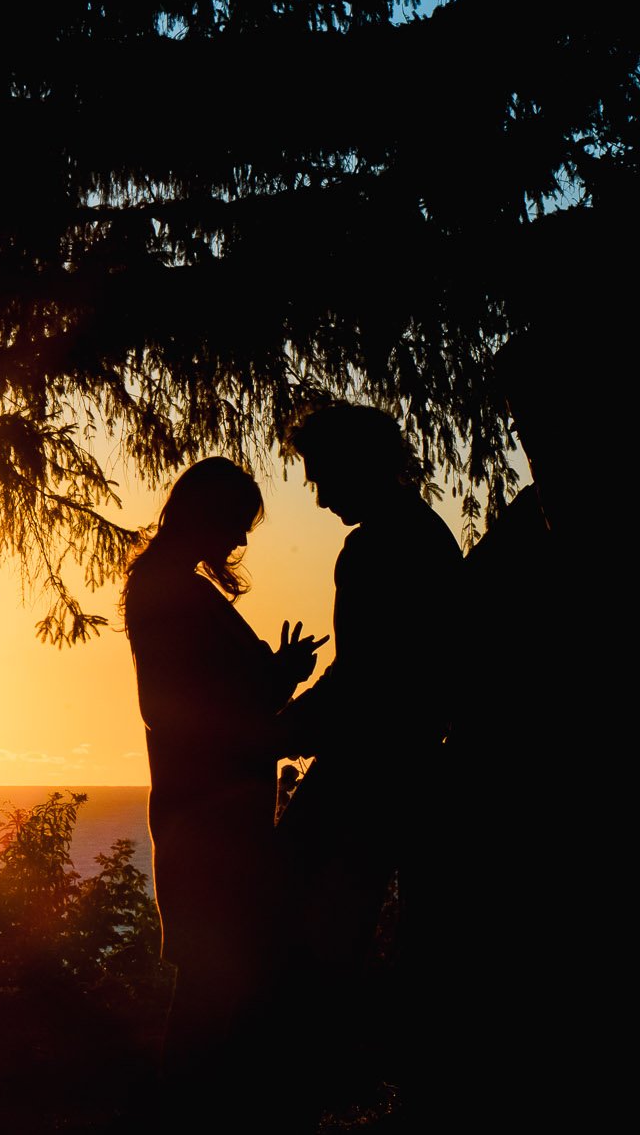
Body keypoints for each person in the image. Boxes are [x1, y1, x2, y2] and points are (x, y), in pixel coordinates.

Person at [122, 457, 326, 1111]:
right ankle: (194, 1108)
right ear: (206, 514)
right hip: (209, 815)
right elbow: (177, 704)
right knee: (217, 975)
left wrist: (274, 677)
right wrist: (274, 689)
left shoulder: (166, 585)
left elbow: (202, 693)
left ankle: (196, 1106)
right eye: (236, 524)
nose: (239, 541)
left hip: (209, 809)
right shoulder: (169, 589)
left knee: (219, 971)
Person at [277, 402, 463, 1108]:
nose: (319, 495)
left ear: (357, 464)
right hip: (413, 764)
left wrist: (273, 731)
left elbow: (362, 683)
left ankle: (294, 1084)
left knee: (297, 916)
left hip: (372, 769)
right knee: (410, 941)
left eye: (322, 475)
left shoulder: (377, 546)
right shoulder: (426, 533)